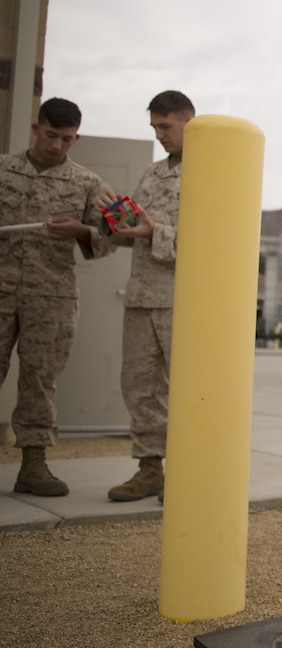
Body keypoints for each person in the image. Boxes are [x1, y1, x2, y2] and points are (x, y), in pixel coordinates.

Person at [0, 98, 114, 496]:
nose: (57, 146)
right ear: (36, 129)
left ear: (76, 137)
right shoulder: (3, 170)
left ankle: (33, 465)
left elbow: (114, 237)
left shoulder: (88, 185)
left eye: (67, 139)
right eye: (51, 136)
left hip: (51, 296)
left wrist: (81, 232)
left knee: (40, 380)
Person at [105, 90, 194, 503]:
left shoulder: (211, 172)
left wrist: (151, 232)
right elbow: (134, 228)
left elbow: (212, 242)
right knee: (140, 387)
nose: (160, 135)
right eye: (155, 127)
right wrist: (111, 221)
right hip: (142, 296)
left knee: (189, 388)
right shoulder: (152, 175)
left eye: (166, 126)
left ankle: (192, 472)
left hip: (185, 300)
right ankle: (149, 470)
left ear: (188, 122)